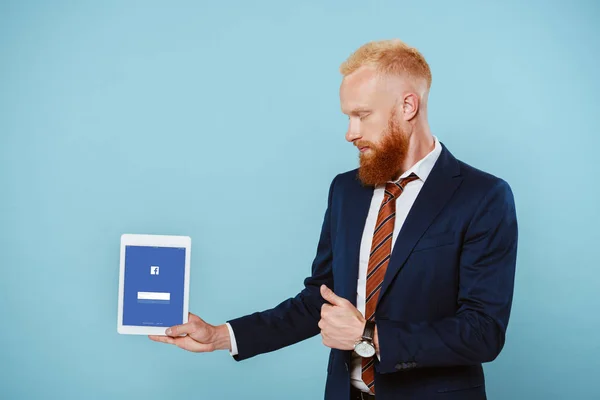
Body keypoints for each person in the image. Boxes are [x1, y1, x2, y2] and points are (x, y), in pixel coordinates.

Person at [149, 39, 518, 400]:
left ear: (408, 106)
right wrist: (220, 336)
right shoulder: (347, 190)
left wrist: (369, 336)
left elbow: (482, 332)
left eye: (362, 115)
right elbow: (319, 300)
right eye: (348, 117)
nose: (350, 133)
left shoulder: (482, 197)